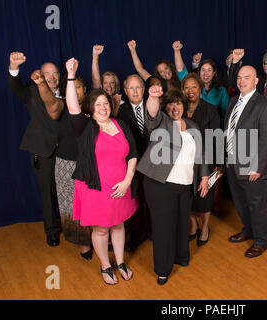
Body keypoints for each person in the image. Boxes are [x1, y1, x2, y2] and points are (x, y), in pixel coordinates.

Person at [65, 58, 139, 285]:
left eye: (105, 103)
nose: (102, 107)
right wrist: (70, 75)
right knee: (100, 230)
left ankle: (119, 262)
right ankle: (105, 266)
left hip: (121, 186)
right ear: (90, 108)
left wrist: (127, 180)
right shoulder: (86, 127)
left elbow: (133, 154)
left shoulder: (120, 124)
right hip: (95, 188)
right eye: (97, 104)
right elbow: (71, 106)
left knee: (118, 224)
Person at [137, 86, 209, 285]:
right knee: (163, 227)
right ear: (165, 107)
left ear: (184, 105)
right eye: (170, 103)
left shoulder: (193, 126)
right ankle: (162, 269)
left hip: (185, 186)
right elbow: (151, 114)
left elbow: (201, 155)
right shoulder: (161, 123)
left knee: (181, 222)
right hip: (160, 185)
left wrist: (204, 177)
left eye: (178, 102)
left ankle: (181, 256)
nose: (175, 107)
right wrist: (152, 97)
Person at [32, 70, 94, 259]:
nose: (75, 91)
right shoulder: (61, 107)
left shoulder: (94, 109)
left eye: (78, 87)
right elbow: (50, 102)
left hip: (91, 163)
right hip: (67, 163)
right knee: (70, 204)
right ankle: (82, 243)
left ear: (85, 90)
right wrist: (42, 83)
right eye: (71, 87)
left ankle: (99, 237)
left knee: (93, 203)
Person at [7, 52, 61, 247]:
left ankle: (73, 226)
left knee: (68, 190)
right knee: (47, 193)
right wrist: (14, 67)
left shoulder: (69, 90)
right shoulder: (31, 91)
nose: (52, 77)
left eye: (55, 73)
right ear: (41, 76)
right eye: (48, 74)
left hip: (66, 151)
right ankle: (51, 231)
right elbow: (16, 88)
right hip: (43, 150)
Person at [225, 66, 267, 258]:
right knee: (240, 202)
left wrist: (258, 167)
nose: (242, 81)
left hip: (253, 166)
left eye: (247, 77)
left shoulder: (264, 105)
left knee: (257, 205)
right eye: (239, 77)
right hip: (232, 163)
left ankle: (261, 241)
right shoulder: (233, 102)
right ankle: (248, 230)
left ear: (256, 81)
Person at [181, 73, 221, 247]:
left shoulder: (210, 110)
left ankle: (204, 227)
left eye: (194, 87)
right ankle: (192, 224)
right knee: (187, 196)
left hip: (205, 161)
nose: (190, 91)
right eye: (187, 87)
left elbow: (217, 139)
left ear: (200, 89)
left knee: (204, 197)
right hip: (183, 163)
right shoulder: (178, 108)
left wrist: (219, 165)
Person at [118, 74, 151, 251]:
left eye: (138, 87)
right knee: (136, 198)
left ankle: (153, 230)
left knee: (153, 198)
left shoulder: (154, 107)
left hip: (154, 163)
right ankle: (139, 233)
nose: (135, 91)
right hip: (133, 164)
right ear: (125, 91)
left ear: (144, 89)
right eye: (131, 88)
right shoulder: (120, 112)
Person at [228, 46, 267, 121]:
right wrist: (235, 61)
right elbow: (234, 83)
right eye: (266, 64)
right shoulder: (255, 82)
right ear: (263, 65)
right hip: (252, 129)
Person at [173, 41, 229, 121]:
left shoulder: (221, 90)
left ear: (214, 73)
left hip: (213, 129)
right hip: (193, 127)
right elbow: (180, 70)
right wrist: (177, 51)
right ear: (199, 72)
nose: (206, 73)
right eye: (203, 70)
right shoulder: (193, 87)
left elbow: (225, 114)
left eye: (209, 70)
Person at [91, 45, 124, 116]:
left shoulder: (123, 103)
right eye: (105, 83)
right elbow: (95, 79)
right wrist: (95, 57)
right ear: (101, 85)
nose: (109, 86)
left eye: (112, 83)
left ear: (116, 85)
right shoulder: (97, 99)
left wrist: (117, 104)